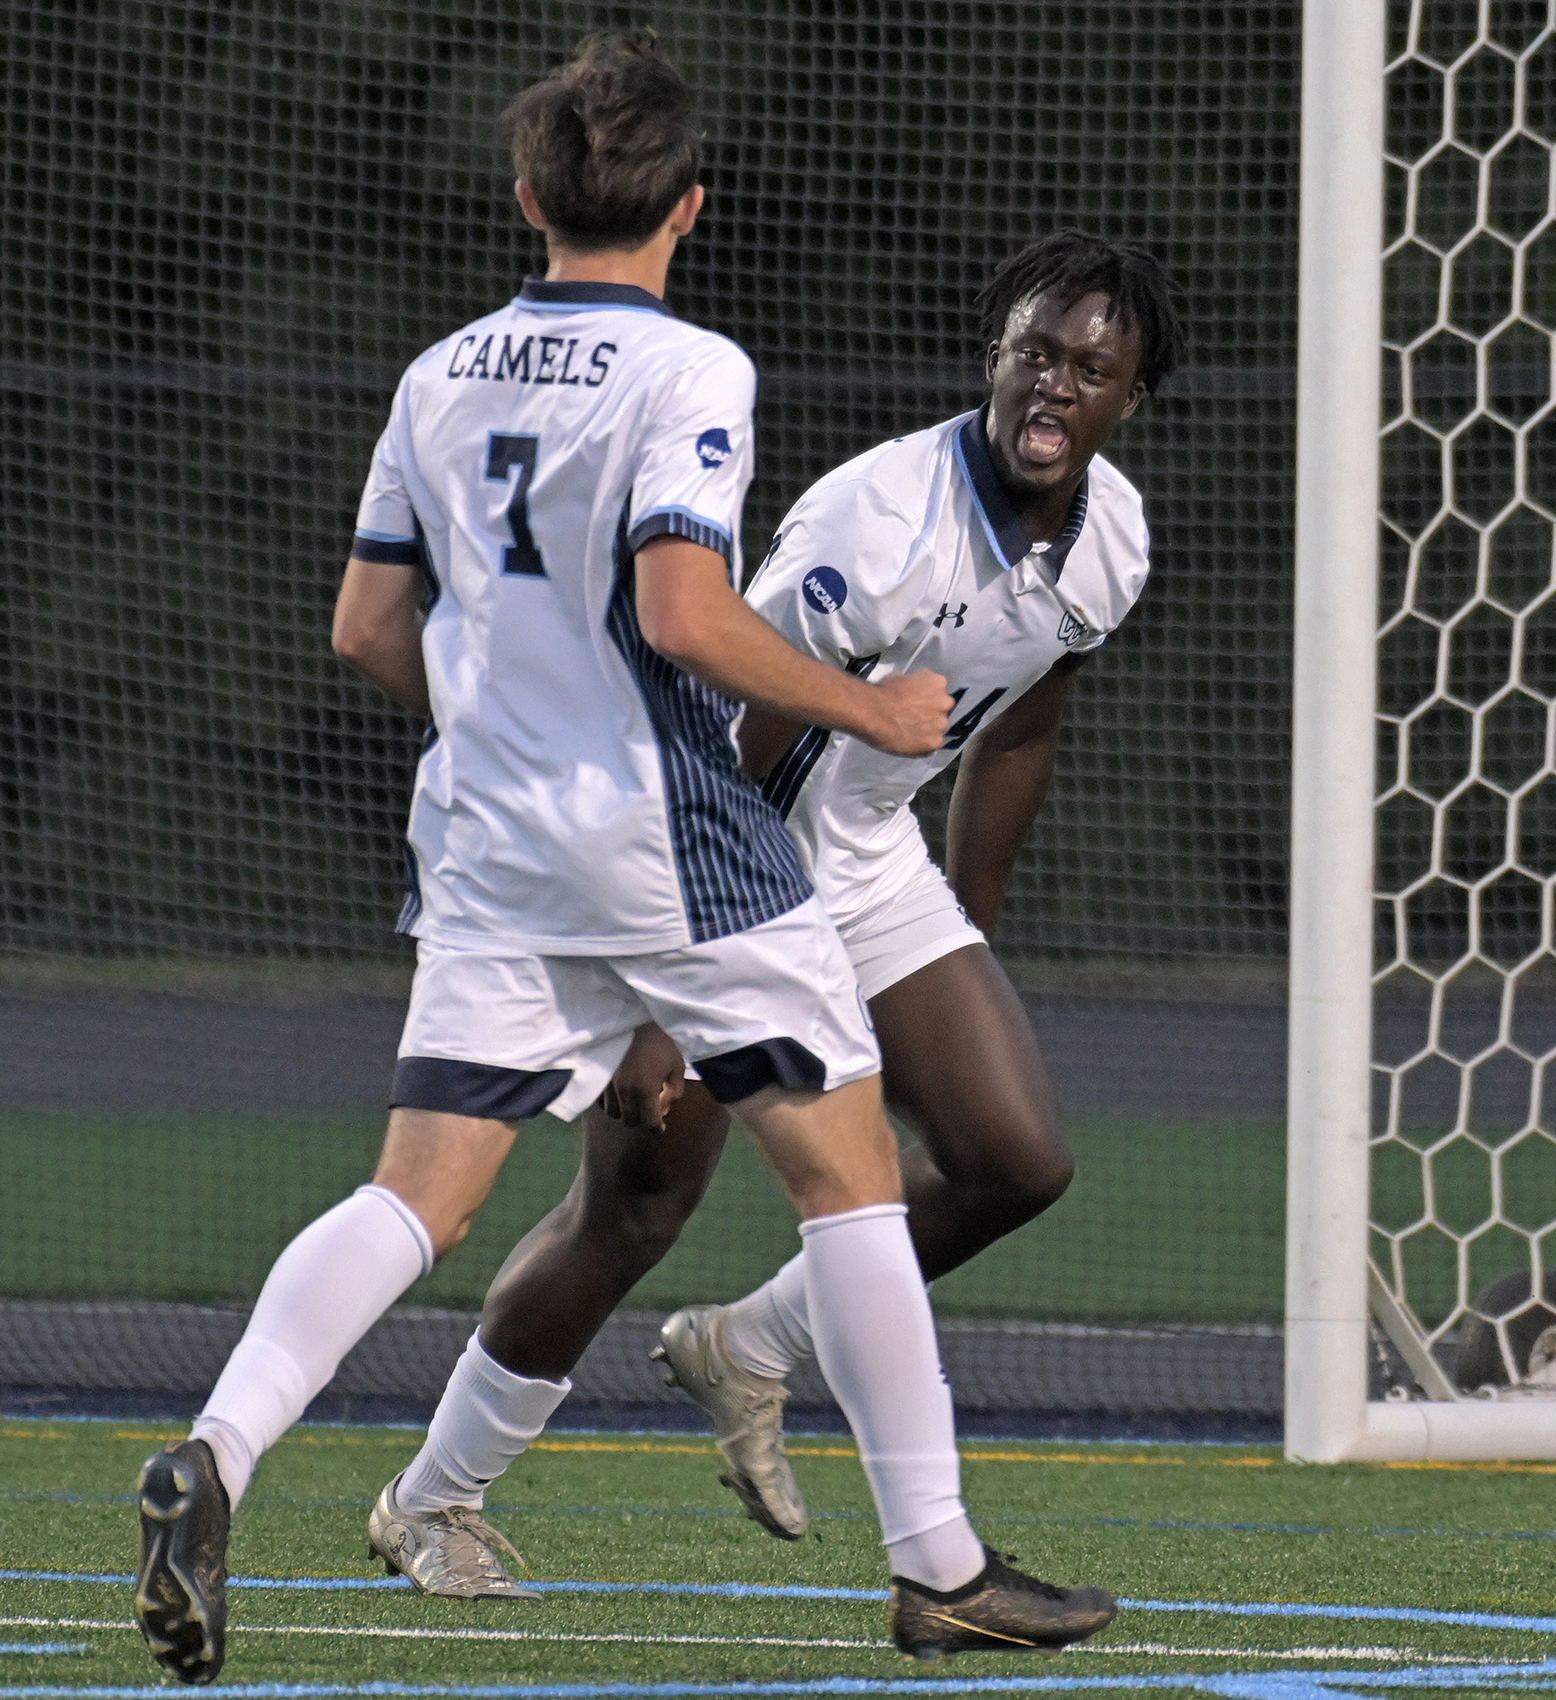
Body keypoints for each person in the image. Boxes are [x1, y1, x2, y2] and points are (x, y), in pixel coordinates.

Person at [131, 35, 1109, 1684]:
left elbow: (369, 629)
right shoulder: (692, 372)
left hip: (489, 849)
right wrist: (867, 708)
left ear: (529, 200)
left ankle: (213, 1455)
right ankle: (938, 1565)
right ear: (690, 209)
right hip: (666, 840)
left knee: (415, 1197)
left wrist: (508, 714)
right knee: (852, 1174)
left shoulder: (440, 372)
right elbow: (681, 611)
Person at [373, 231, 1182, 1637]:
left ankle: (752, 1343)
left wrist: (962, 938)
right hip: (718, 867)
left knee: (1014, 1161)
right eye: (1038, 353)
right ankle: (433, 1499)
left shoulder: (1112, 540)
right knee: (632, 1204)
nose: (1057, 386)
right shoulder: (878, 521)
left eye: (1092, 369)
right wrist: (660, 999)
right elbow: (719, 736)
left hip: (867, 868)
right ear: (994, 353)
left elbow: (1024, 722)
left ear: (1129, 398)